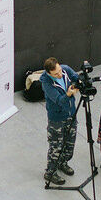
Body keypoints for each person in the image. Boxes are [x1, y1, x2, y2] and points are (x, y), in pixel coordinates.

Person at [40, 58, 79, 186]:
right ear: (49, 73)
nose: (60, 74)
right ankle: (50, 172)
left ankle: (63, 163)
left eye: (60, 71)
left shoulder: (65, 69)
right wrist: (68, 94)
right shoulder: (46, 83)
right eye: (56, 74)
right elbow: (59, 100)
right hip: (57, 119)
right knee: (56, 147)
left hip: (71, 114)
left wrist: (77, 84)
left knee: (69, 145)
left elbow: (76, 77)